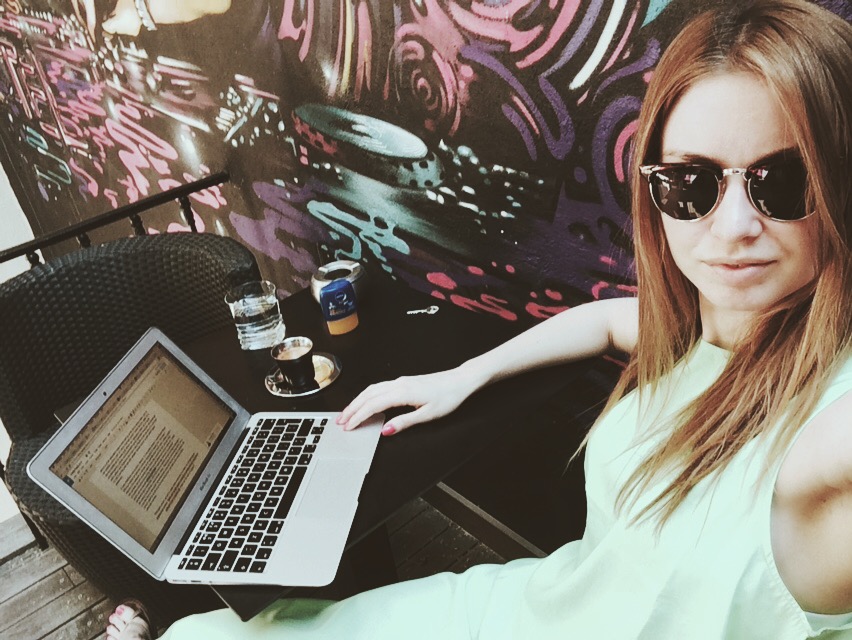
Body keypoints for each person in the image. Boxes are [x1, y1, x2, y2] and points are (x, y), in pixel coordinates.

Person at [106, 0, 852, 638]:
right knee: (250, 630)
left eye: (784, 181)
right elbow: (609, 321)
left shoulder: (824, 442)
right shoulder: (709, 329)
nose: (733, 228)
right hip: (541, 605)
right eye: (690, 183)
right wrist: (460, 377)